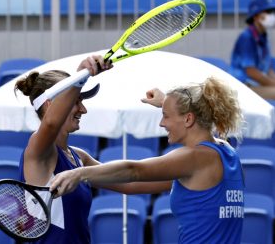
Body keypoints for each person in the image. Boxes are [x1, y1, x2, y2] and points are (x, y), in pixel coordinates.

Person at [50, 77, 245, 243]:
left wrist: (79, 173)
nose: (161, 123)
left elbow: (134, 170)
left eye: (165, 116)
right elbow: (132, 185)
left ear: (188, 119)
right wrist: (82, 163)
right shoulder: (227, 153)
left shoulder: (194, 158)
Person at [14, 55, 115, 244]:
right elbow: (51, 124)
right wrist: (80, 76)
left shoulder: (79, 157)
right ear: (49, 104)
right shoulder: (38, 149)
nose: (83, 109)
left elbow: (131, 182)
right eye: (75, 101)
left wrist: (185, 175)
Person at [230, 0, 275, 99]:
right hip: (243, 87)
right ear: (256, 17)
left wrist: (273, 81)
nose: (271, 15)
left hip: (255, 84)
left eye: (271, 12)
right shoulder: (246, 38)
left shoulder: (263, 37)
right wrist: (272, 83)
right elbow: (251, 72)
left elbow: (268, 69)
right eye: (267, 12)